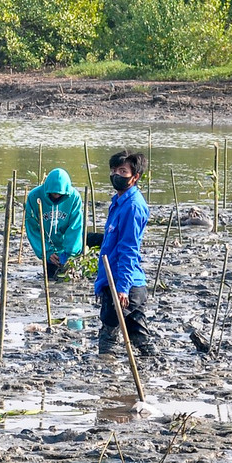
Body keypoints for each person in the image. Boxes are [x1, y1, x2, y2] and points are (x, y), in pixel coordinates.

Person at [95, 150, 155, 356]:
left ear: (135, 177)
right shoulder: (118, 201)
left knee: (108, 337)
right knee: (137, 334)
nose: (116, 175)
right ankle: (151, 365)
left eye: (122, 171)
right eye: (113, 170)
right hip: (114, 277)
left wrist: (122, 288)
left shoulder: (133, 206)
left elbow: (128, 249)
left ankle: (106, 373)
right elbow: (110, 244)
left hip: (124, 282)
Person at [25, 168, 85, 281]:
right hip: (47, 241)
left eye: (60, 194)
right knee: (49, 278)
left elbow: (75, 227)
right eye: (54, 193)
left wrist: (70, 253)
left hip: (65, 244)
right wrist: (46, 252)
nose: (56, 196)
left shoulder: (74, 197)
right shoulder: (34, 196)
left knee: (67, 279)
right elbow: (32, 228)